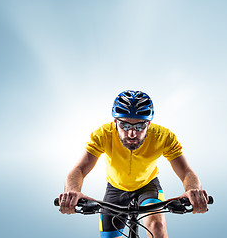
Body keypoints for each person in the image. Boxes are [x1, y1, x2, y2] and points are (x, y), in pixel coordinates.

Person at [59, 90, 209, 238]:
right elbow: (79, 169)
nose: (131, 134)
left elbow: (186, 171)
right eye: (124, 125)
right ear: (115, 122)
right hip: (115, 189)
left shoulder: (163, 137)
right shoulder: (103, 134)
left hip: (147, 186)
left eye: (139, 127)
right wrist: (72, 192)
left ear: (149, 124)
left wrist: (194, 191)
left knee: (157, 227)